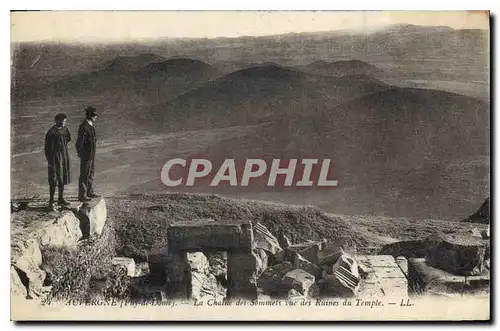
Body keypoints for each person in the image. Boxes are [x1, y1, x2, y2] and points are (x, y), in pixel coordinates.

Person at [44, 113, 72, 208]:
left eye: (65, 121)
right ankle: (51, 201)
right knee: (53, 179)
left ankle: (61, 198)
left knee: (62, 178)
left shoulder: (65, 129)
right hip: (54, 159)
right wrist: (50, 161)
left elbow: (68, 138)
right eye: (63, 121)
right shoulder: (51, 132)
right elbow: (47, 149)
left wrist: (62, 148)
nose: (64, 123)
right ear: (57, 121)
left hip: (63, 157)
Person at [76, 106, 100, 202]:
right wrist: (82, 154)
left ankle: (89, 192)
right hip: (86, 156)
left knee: (91, 173)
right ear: (90, 115)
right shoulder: (84, 127)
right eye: (94, 115)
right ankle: (82, 195)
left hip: (91, 155)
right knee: (85, 174)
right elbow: (79, 143)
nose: (96, 117)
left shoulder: (90, 125)